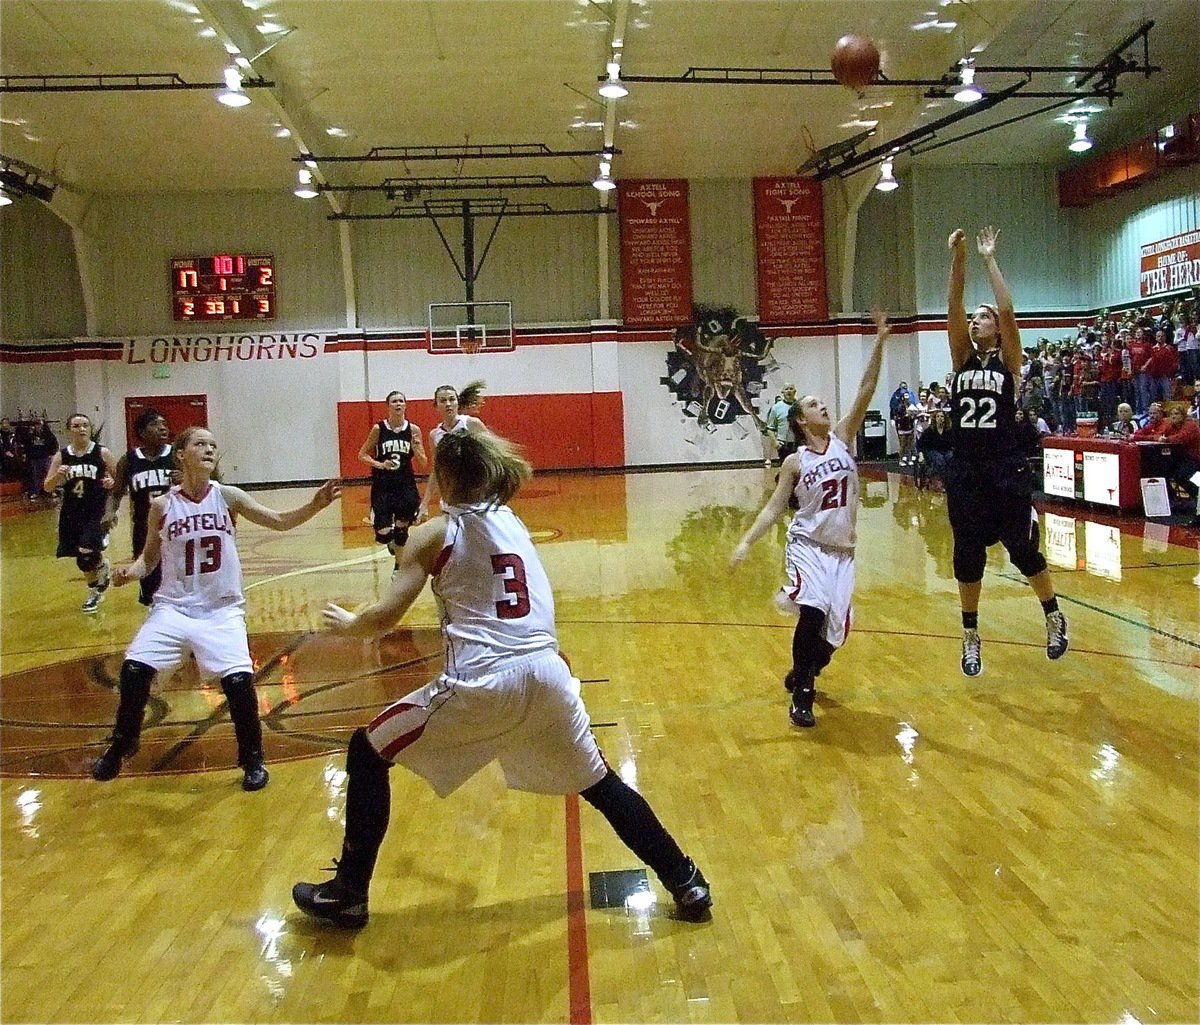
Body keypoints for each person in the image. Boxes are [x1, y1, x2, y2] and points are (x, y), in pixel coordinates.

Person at [292, 429, 711, 927]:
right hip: (550, 677)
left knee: (367, 751)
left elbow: (384, 618)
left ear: (441, 477)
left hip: (482, 684)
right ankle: (686, 879)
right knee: (601, 784)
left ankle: (349, 894)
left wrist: (351, 625)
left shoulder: (434, 533)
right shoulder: (511, 519)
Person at [90, 426, 341, 790]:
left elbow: (281, 521)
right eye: (200, 444)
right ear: (181, 453)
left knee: (239, 683)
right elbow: (148, 560)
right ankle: (123, 742)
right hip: (173, 608)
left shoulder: (227, 497)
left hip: (220, 610)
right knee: (133, 671)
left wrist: (316, 504)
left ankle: (252, 758)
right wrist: (129, 572)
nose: (208, 449)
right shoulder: (162, 506)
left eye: (213, 445)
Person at [728, 312, 891, 728]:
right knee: (813, 612)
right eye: (815, 405)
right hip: (808, 546)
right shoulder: (794, 461)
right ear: (801, 420)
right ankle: (803, 694)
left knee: (832, 638)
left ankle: (803, 671)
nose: (824, 406)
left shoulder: (843, 438)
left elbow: (866, 388)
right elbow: (773, 507)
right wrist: (746, 542)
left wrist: (880, 341)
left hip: (844, 552)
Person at [945, 226, 1068, 678]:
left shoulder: (1008, 362)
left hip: (1003, 467)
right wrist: (957, 258)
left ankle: (1053, 616)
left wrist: (988, 258)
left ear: (995, 329)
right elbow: (953, 305)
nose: (976, 321)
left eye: (984, 317)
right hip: (965, 469)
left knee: (1022, 550)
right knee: (967, 554)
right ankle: (971, 634)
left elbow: (1011, 311)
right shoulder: (960, 359)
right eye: (975, 318)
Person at [43, 413, 117, 613]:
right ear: (69, 430)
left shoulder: (102, 453)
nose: (81, 429)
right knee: (81, 557)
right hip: (71, 512)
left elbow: (121, 479)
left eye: (85, 425)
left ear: (90, 429)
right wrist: (58, 475)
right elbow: (47, 487)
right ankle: (97, 578)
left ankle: (94, 590)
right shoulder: (62, 455)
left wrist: (113, 483)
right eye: (76, 426)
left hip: (96, 510)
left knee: (86, 550)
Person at [103, 409, 175, 606]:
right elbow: (116, 492)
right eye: (155, 424)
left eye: (165, 424)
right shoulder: (129, 459)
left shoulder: (178, 455)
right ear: (142, 432)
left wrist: (187, 479)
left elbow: (206, 482)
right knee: (150, 579)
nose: (162, 428)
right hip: (144, 527)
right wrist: (110, 512)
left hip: (177, 524)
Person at [357, 391, 428, 576]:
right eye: (394, 401)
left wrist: (416, 446)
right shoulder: (379, 429)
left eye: (401, 401)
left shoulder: (413, 430)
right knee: (383, 534)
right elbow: (362, 455)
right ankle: (390, 542)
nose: (398, 404)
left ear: (405, 405)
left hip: (405, 484)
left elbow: (423, 461)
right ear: (388, 406)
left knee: (402, 530)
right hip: (383, 485)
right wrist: (380, 464)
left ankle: (398, 568)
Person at [417, 381, 486, 520]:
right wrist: (424, 504)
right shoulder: (435, 435)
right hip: (452, 494)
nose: (448, 404)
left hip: (476, 491)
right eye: (443, 401)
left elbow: (493, 456)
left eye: (451, 399)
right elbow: (437, 470)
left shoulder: (472, 424)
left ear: (457, 403)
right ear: (436, 406)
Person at [915, 408, 954, 488]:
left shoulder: (948, 431)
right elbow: (920, 444)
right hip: (931, 451)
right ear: (935, 418)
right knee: (940, 460)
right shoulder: (929, 431)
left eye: (942, 416)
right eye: (938, 416)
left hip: (945, 450)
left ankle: (951, 481)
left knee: (951, 458)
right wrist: (921, 455)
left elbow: (952, 444)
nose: (940, 418)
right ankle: (944, 483)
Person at [25, 418, 59, 505]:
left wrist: (52, 453)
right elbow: (27, 446)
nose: (38, 427)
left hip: (46, 457)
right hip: (35, 459)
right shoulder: (30, 436)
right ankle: (35, 492)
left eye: (39, 425)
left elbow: (54, 444)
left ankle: (51, 491)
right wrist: (28, 455)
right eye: (36, 425)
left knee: (49, 475)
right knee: (36, 476)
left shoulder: (48, 435)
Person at [764, 384, 798, 465]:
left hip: (798, 443)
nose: (789, 391)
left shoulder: (800, 406)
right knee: (786, 469)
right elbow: (770, 428)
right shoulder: (776, 408)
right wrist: (775, 442)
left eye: (791, 389)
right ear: (783, 392)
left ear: (795, 391)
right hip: (784, 445)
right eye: (786, 389)